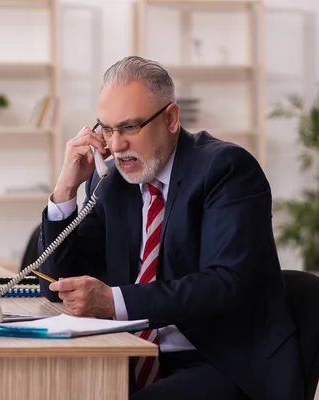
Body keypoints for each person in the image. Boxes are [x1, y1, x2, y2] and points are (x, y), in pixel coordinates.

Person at [37, 56, 304, 400]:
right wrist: (65, 190)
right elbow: (56, 285)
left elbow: (225, 283)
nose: (116, 146)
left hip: (223, 362)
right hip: (133, 353)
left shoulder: (226, 169)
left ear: (172, 118)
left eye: (130, 127)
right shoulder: (115, 184)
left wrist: (113, 301)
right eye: (107, 129)